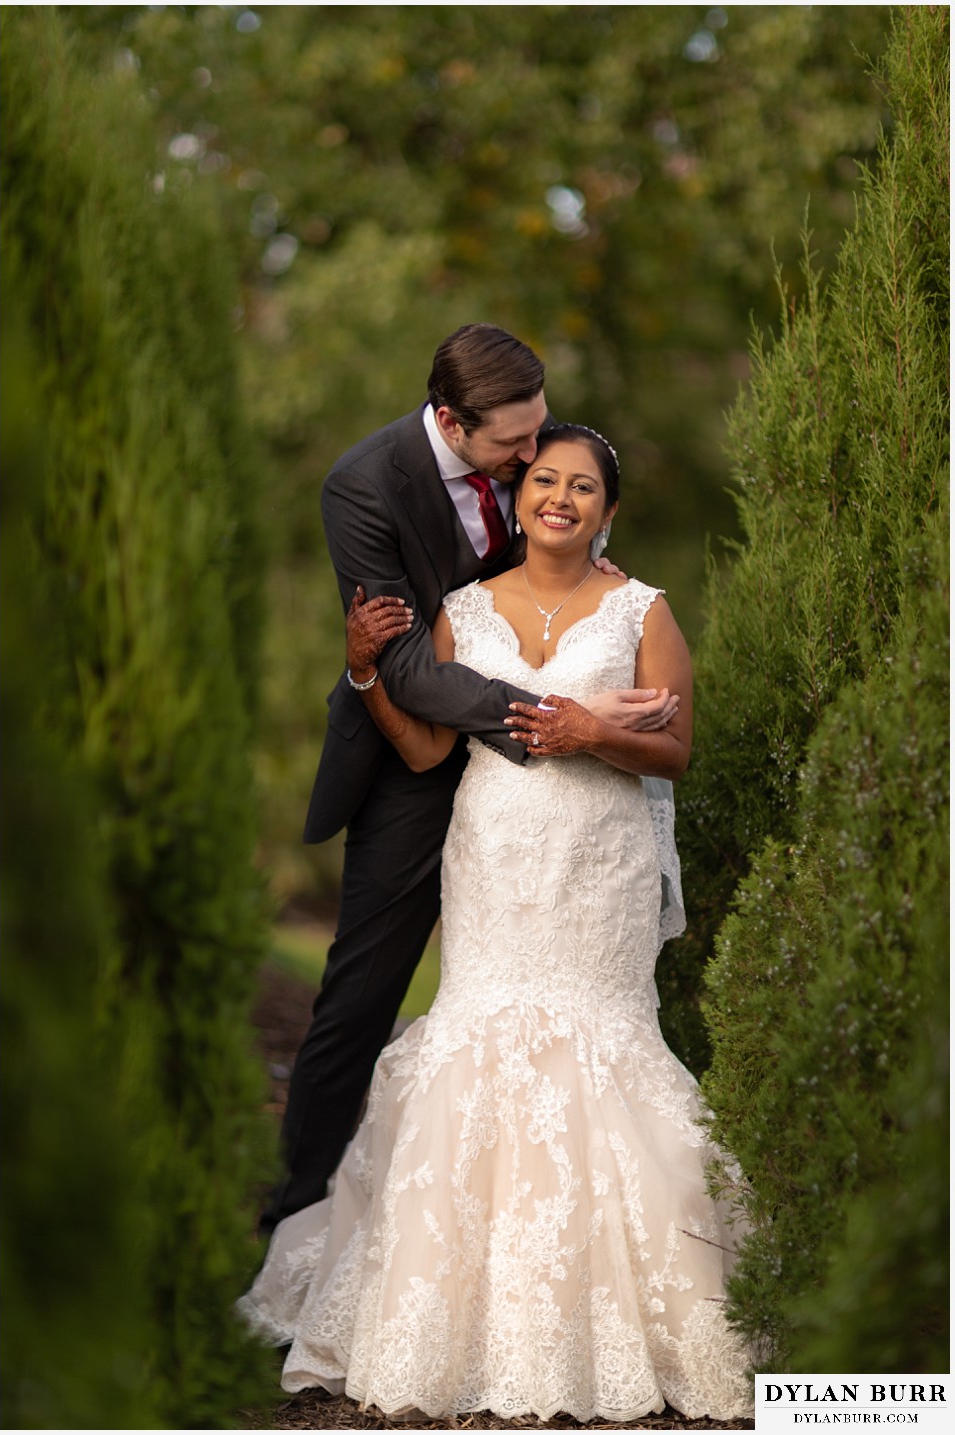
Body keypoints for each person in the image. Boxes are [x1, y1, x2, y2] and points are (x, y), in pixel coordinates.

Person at [240, 424, 753, 1423]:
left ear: (609, 509)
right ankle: (439, 1312)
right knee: (481, 1036)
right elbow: (429, 752)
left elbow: (678, 749)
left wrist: (592, 729)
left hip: (596, 860)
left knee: (599, 1041)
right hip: (494, 854)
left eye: (584, 486)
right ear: (519, 499)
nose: (560, 497)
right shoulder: (462, 611)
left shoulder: (642, 610)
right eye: (545, 480)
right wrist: (362, 671)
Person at [262, 326, 678, 1232]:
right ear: (452, 420)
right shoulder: (363, 486)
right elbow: (407, 666)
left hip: (557, 795)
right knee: (364, 993)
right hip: (415, 755)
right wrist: (554, 716)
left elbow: (576, 485)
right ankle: (297, 1216)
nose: (534, 452)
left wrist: (595, 551)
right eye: (514, 445)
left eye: (540, 432)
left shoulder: (527, 431)